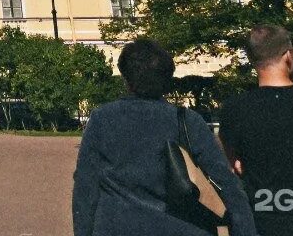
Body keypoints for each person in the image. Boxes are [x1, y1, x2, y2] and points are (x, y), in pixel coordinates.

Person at [72, 38, 257, 236]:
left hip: (118, 224)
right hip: (179, 226)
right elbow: (227, 184)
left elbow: (85, 189)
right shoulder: (187, 120)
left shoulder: (103, 119)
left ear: (125, 78)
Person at [219, 25, 293, 236]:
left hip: (266, 222)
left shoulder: (236, 109)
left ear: (252, 60)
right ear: (287, 55)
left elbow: (229, 164)